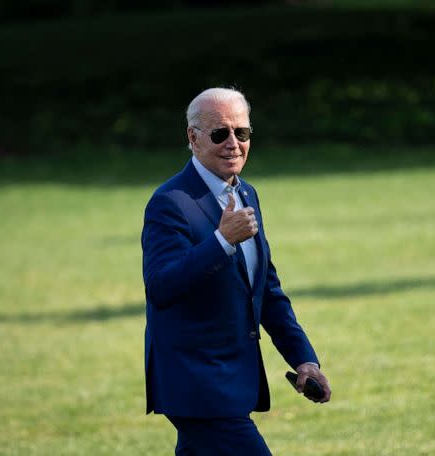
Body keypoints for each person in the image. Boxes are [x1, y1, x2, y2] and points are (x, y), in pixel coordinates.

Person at [141, 87, 331, 455]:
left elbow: (267, 293)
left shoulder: (246, 195)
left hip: (232, 379)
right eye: (220, 133)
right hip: (196, 384)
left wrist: (304, 359)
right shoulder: (170, 203)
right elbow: (161, 286)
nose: (233, 143)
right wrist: (221, 241)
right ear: (192, 138)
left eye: (241, 133)